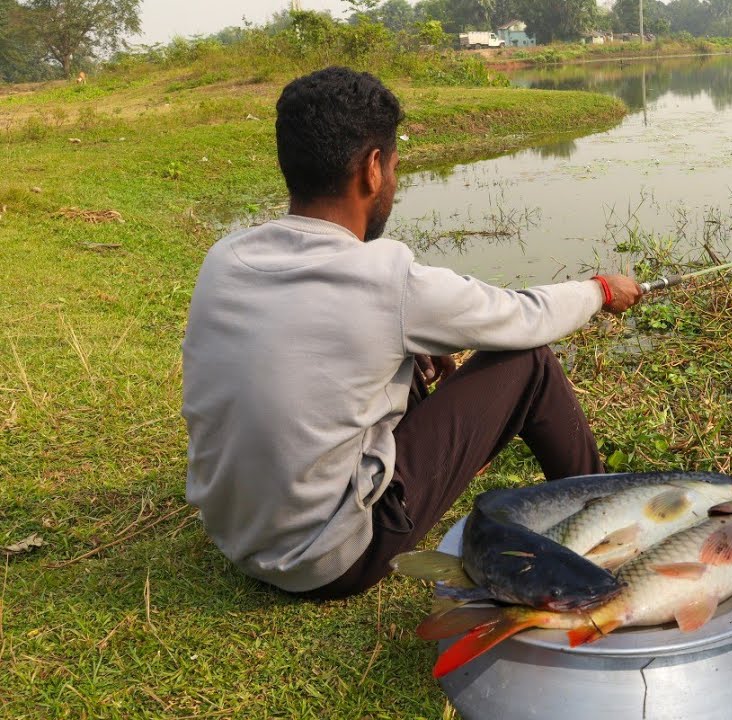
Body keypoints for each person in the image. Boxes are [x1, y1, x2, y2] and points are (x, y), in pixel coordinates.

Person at [182, 66, 642, 601]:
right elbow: (525, 317)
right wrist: (602, 291)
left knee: (411, 363)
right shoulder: (385, 279)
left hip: (236, 540)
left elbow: (313, 340)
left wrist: (411, 348)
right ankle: (610, 520)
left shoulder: (226, 258)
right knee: (529, 363)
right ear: (373, 169)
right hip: (332, 561)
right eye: (396, 167)